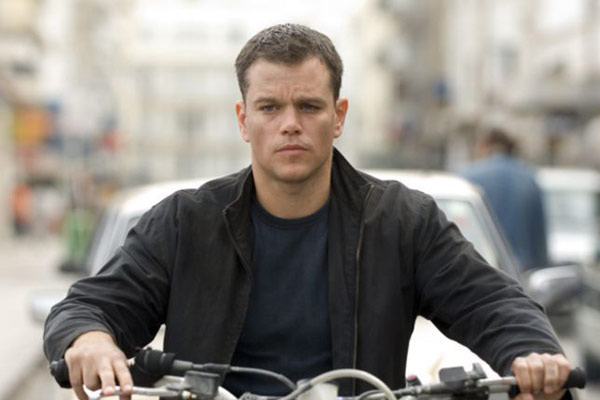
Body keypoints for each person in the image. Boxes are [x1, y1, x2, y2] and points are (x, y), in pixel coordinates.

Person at [44, 24, 571, 400]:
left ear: (338, 116)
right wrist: (89, 339)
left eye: (309, 106)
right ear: (243, 119)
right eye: (270, 107)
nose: (290, 123)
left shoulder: (402, 221)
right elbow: (90, 304)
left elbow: (491, 301)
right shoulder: (185, 222)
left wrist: (532, 353)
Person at [461, 127, 548, 271]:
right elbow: (538, 237)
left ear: (484, 146)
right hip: (521, 271)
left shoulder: (469, 176)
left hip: (477, 268)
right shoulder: (528, 178)